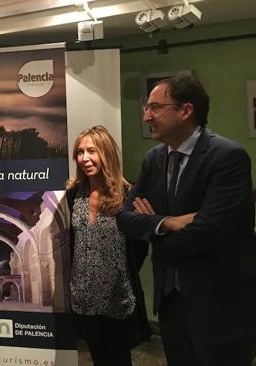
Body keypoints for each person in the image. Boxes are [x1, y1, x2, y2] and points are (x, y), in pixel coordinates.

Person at [117, 75, 256, 366]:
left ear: (185, 110)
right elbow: (124, 219)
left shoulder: (227, 157)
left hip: (223, 306)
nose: (146, 116)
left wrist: (152, 225)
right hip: (173, 304)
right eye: (145, 108)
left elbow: (208, 234)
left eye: (154, 107)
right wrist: (169, 223)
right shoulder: (154, 159)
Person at [66, 126, 151, 366]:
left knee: (119, 360)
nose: (85, 158)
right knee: (98, 358)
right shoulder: (75, 194)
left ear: (107, 153)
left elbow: (140, 246)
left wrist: (117, 272)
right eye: (80, 152)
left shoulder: (128, 195)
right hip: (85, 296)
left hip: (117, 298)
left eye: (92, 151)